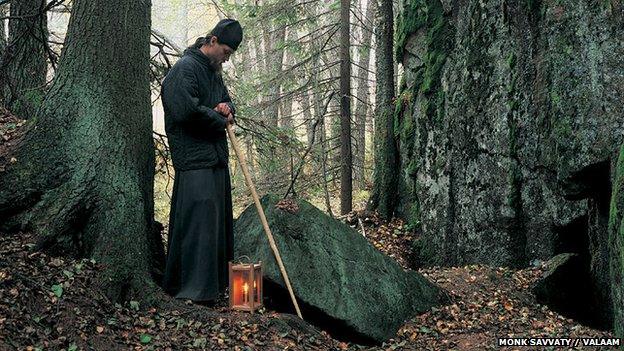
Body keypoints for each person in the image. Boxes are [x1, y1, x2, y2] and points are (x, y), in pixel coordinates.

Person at [161, 19, 243, 303]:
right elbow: (186, 111)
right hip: (194, 159)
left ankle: (213, 287)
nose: (226, 58)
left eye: (230, 54)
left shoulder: (214, 73)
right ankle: (192, 290)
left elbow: (227, 104)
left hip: (215, 158)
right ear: (211, 40)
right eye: (225, 52)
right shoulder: (185, 69)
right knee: (197, 224)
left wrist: (227, 107)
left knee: (216, 223)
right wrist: (219, 117)